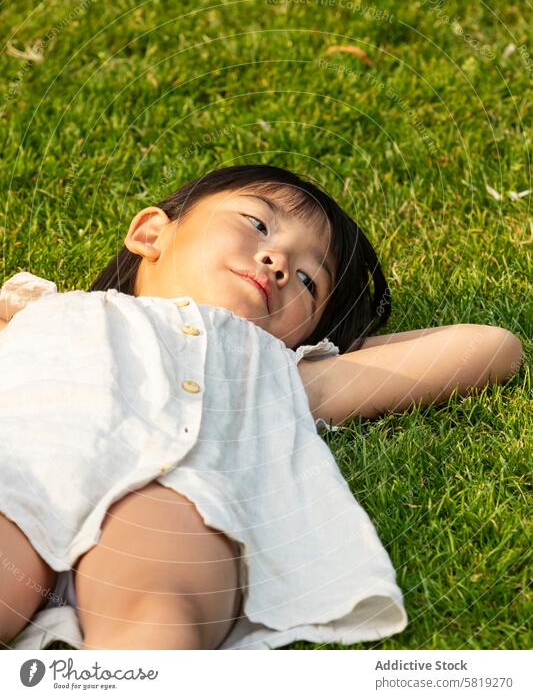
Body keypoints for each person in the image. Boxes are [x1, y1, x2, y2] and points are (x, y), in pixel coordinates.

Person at [0, 164, 522, 651]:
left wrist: (327, 347)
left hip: (178, 498)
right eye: (257, 223)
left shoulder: (282, 373)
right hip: (28, 467)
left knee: (157, 609)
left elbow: (489, 346)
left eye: (308, 281)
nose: (278, 262)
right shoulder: (38, 310)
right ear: (151, 234)